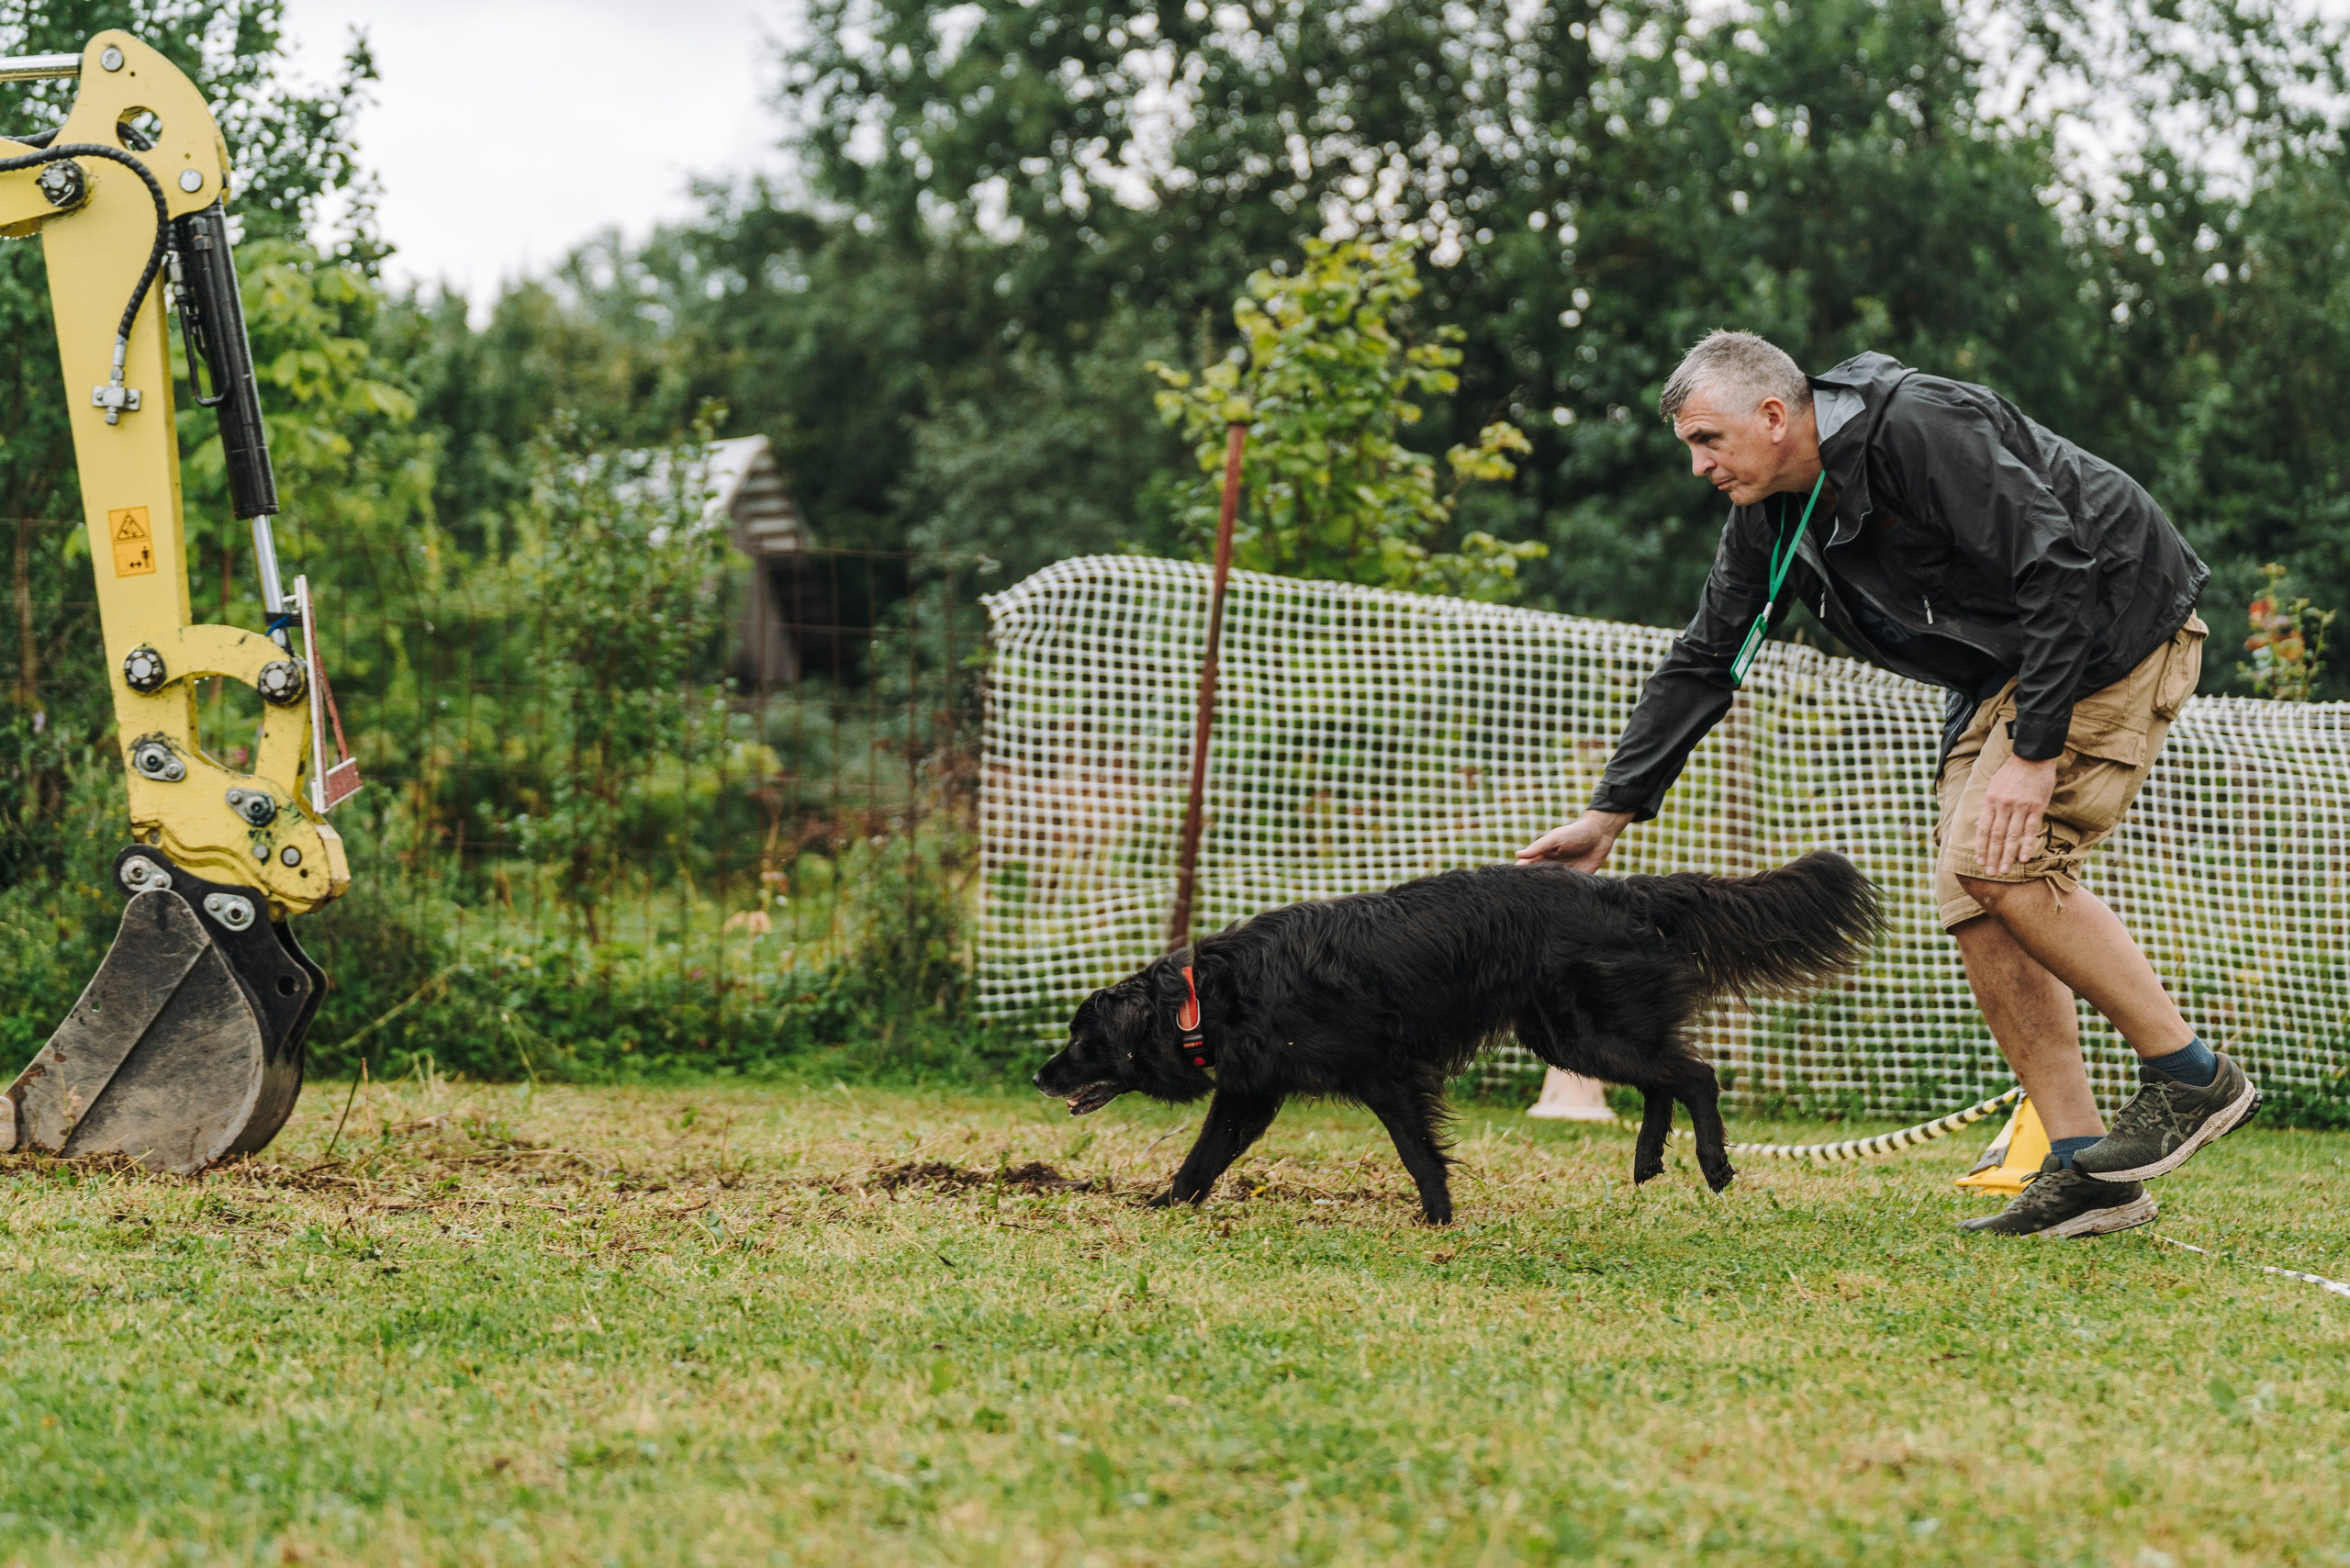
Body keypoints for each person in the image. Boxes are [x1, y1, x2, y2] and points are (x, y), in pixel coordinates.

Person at [1518, 331, 2259, 1238]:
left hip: (2113, 625)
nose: (1698, 464)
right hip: (2005, 667)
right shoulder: (1773, 518)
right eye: (1690, 447)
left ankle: (2189, 1074)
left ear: (1774, 414)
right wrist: (1610, 811)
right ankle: (2084, 1169)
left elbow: (2056, 564)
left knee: (2003, 864)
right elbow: (1709, 657)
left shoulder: (1916, 428)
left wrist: (2032, 756)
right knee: (1972, 894)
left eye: (1707, 440)